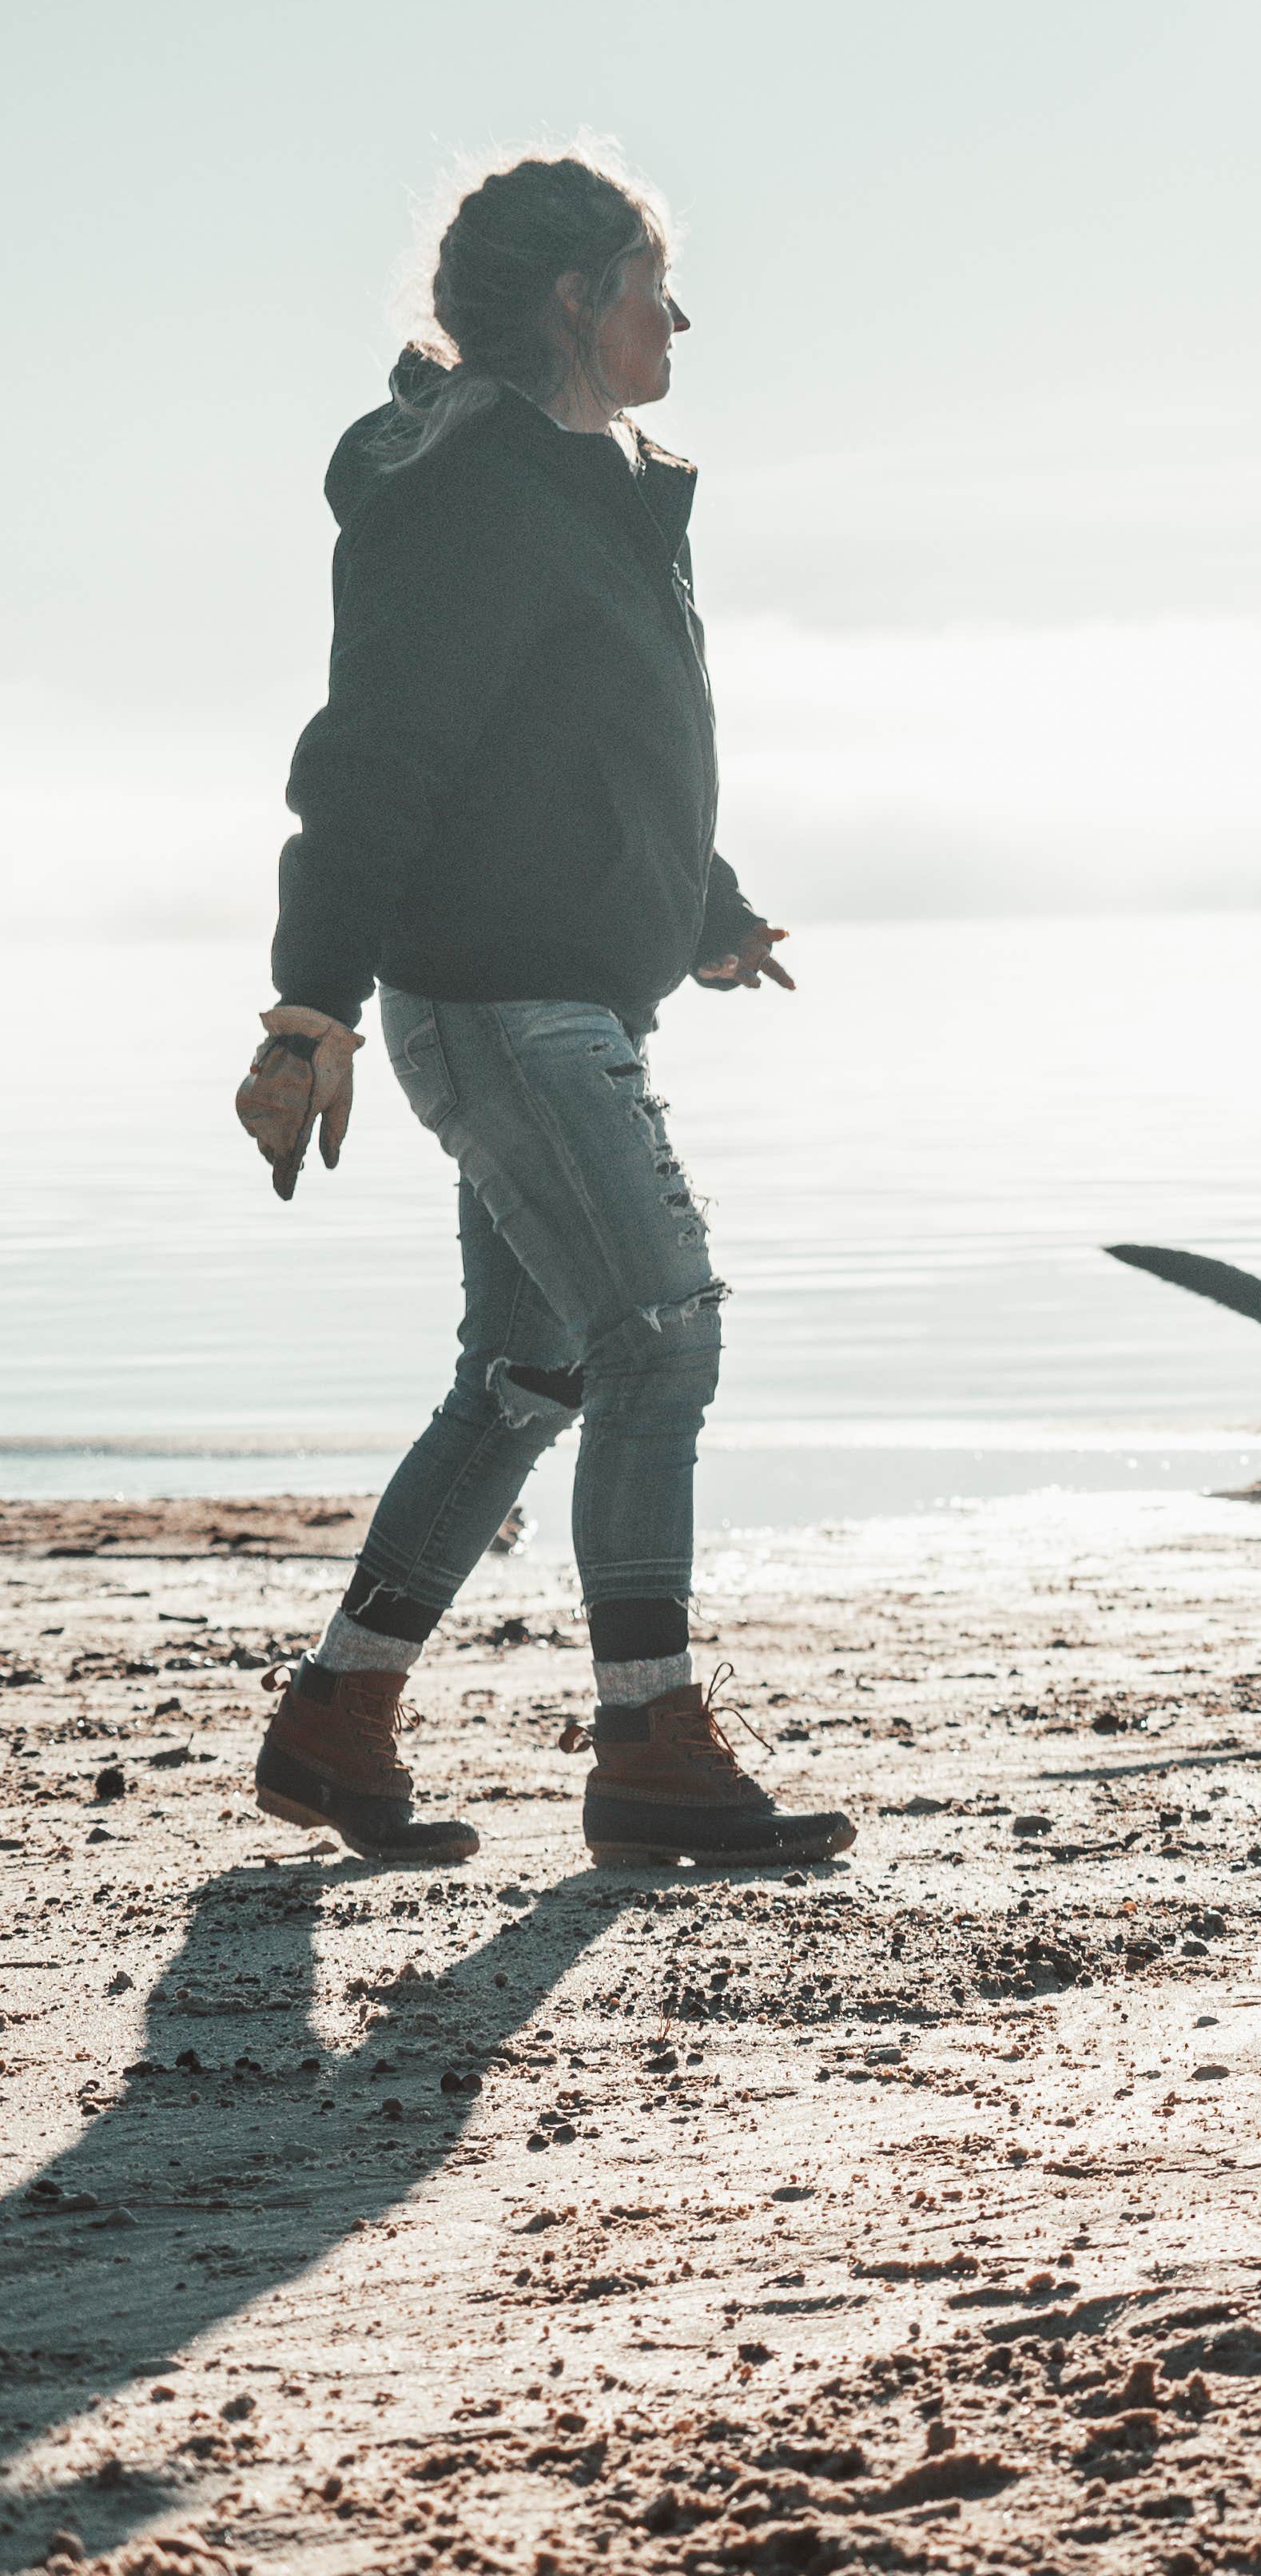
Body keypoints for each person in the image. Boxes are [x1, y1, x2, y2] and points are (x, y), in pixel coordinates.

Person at [232, 153, 851, 1871]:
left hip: (564, 991)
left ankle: (338, 1715)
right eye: (652, 283)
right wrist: (308, 1007)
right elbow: (375, 758)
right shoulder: (471, 493)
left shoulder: (597, 487)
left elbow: (591, 738)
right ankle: (649, 1740)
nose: (678, 317)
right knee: (660, 1332)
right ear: (577, 299)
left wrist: (703, 909)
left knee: (532, 1372)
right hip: (502, 1001)